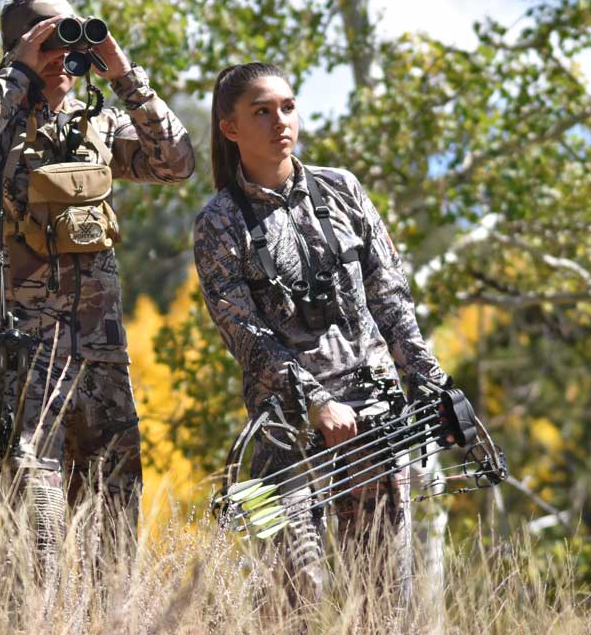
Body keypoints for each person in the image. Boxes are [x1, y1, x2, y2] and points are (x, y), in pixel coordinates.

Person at [0, 0, 195, 565]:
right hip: (23, 351)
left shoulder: (95, 124)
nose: (65, 57)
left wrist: (125, 73)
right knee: (39, 530)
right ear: (20, 48)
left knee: (115, 523)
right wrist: (18, 73)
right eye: (50, 42)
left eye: (71, 40)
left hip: (101, 353)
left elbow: (175, 161)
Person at [192, 62, 452, 603]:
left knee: (382, 591)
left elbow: (390, 297)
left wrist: (431, 383)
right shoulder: (218, 221)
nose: (279, 122)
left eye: (287, 107)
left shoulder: (343, 189)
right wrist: (313, 402)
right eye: (261, 112)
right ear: (230, 128)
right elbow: (245, 334)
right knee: (295, 593)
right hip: (286, 429)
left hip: (374, 417)